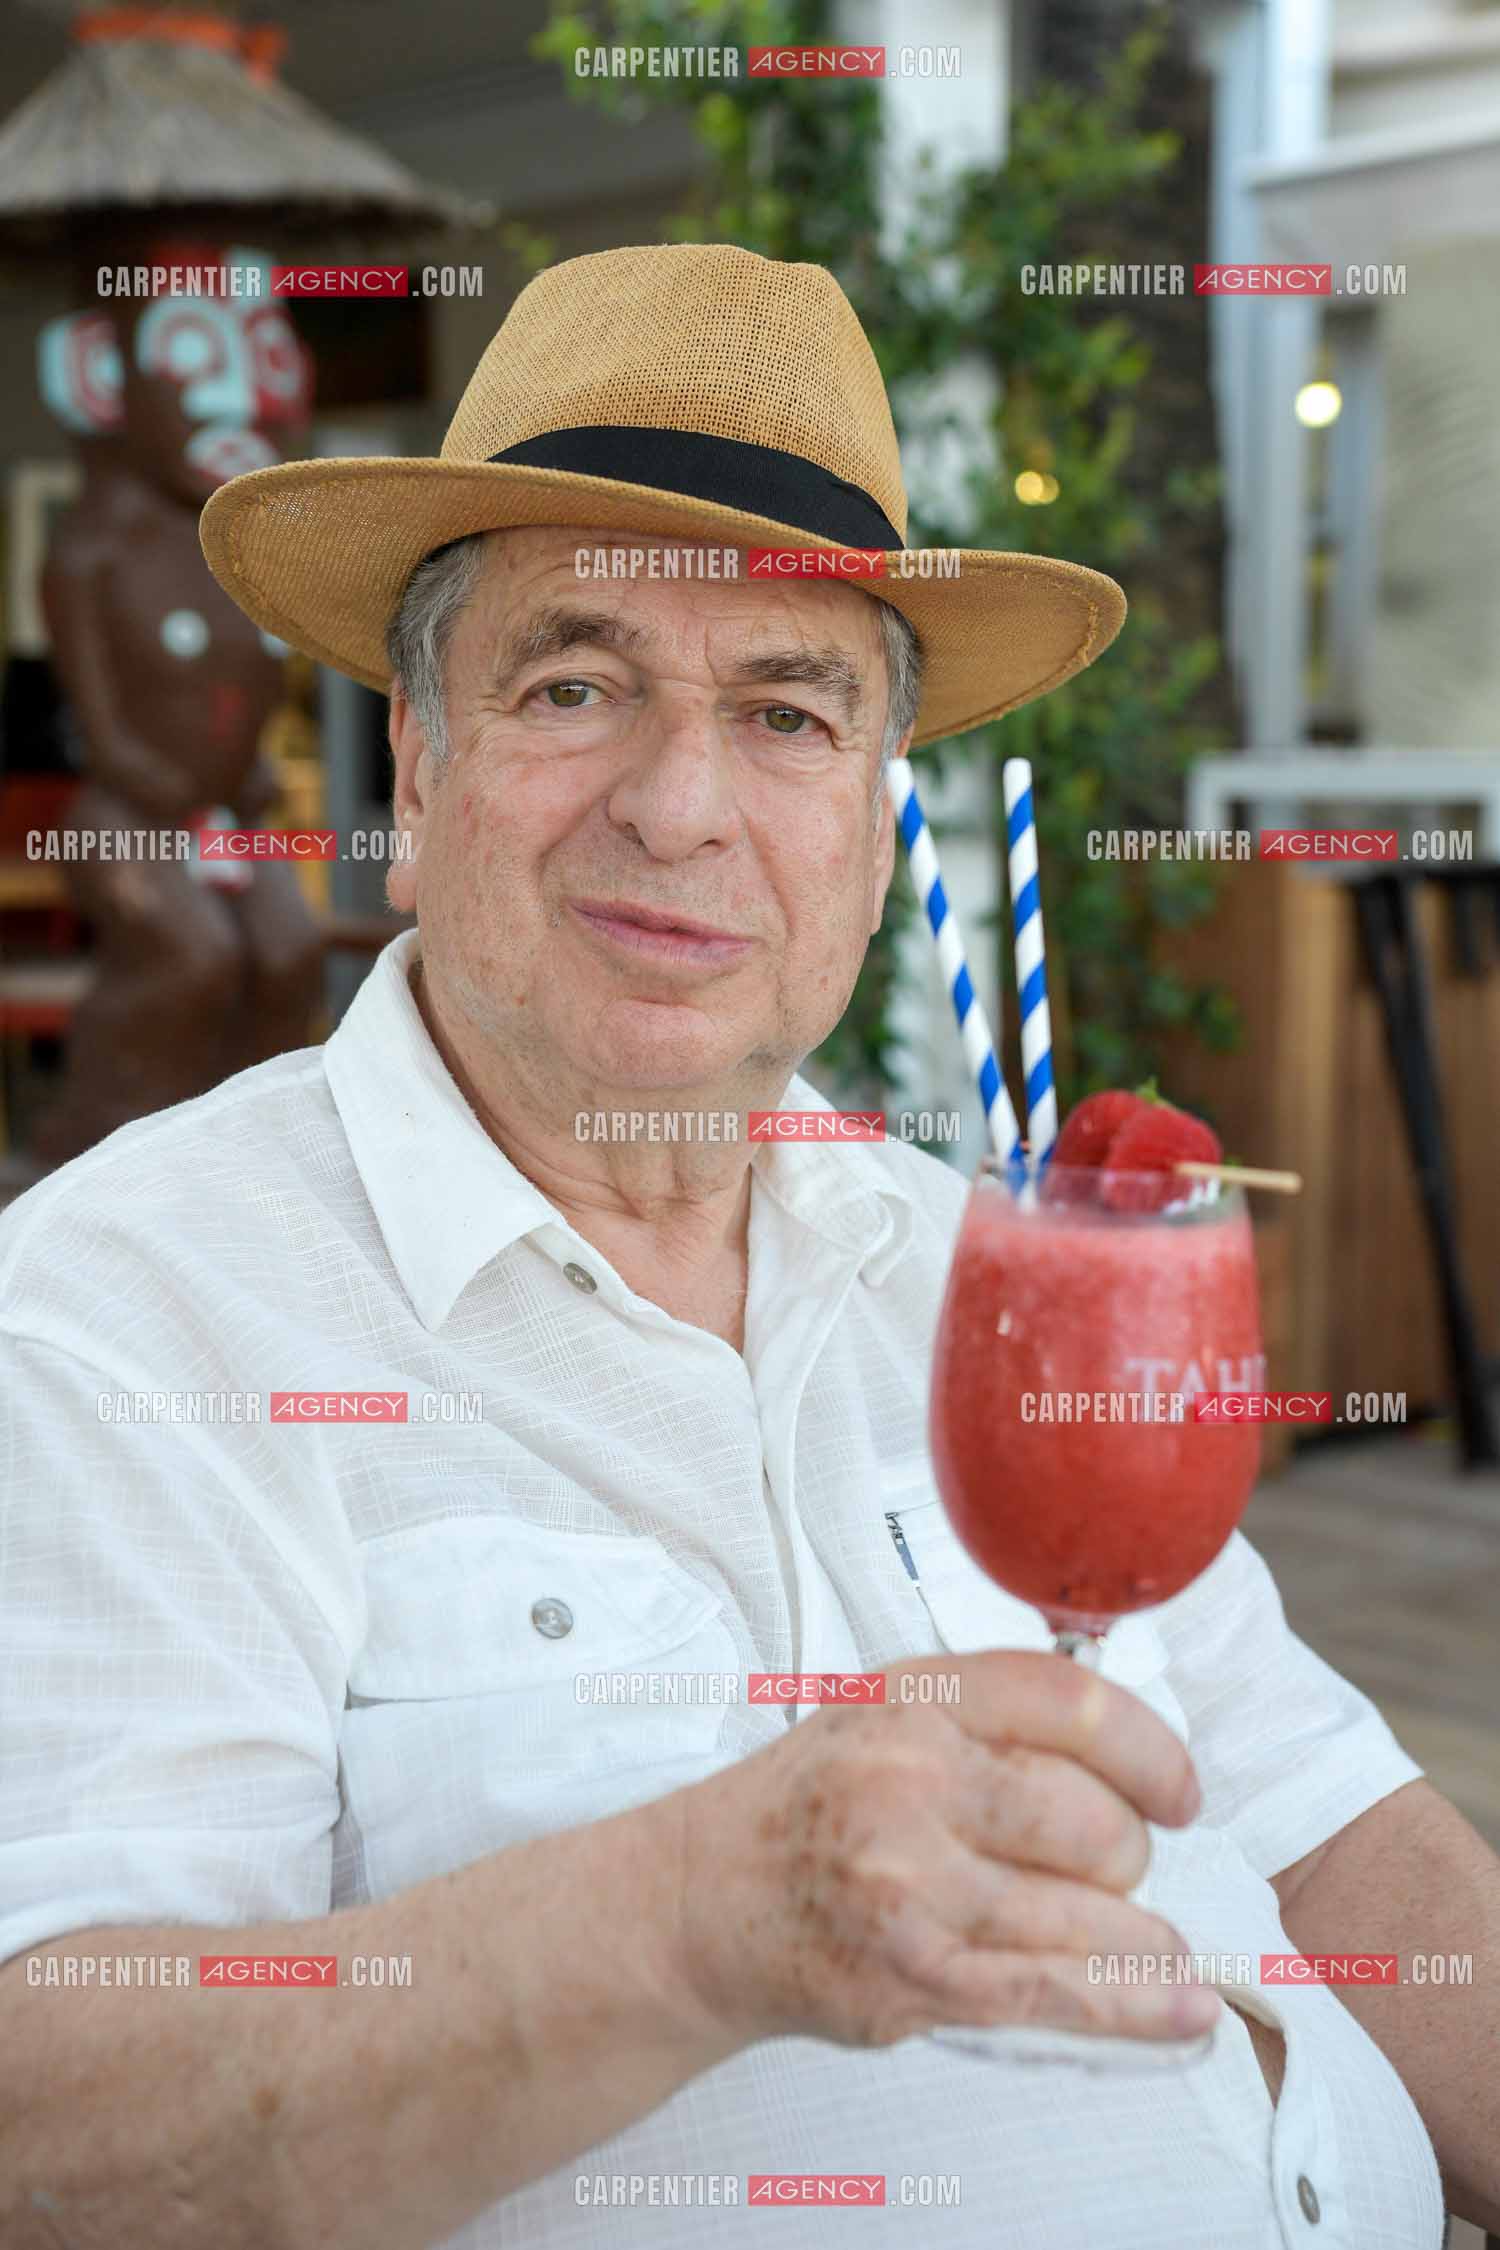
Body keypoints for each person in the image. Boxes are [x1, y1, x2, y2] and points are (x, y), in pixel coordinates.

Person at [1, 244, 1495, 2250]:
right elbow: (59, 2131)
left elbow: (1325, 1829)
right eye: (577, 684)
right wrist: (710, 1916)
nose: (681, 804)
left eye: (788, 713)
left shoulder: (994, 1261)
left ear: (873, 841)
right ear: (420, 767)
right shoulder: (133, 1315)